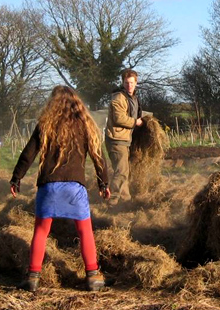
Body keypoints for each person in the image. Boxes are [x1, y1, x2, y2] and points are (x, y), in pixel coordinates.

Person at [10, 86, 111, 292]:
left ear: (52, 103)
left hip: (49, 186)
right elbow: (98, 156)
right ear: (76, 103)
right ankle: (93, 277)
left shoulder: (45, 124)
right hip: (75, 188)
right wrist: (104, 183)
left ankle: (32, 278)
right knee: (85, 231)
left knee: (40, 231)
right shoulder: (85, 124)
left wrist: (16, 178)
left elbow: (29, 153)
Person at [105, 68, 143, 204]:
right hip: (116, 139)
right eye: (127, 83)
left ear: (136, 83)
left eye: (132, 83)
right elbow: (119, 118)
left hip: (124, 139)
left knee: (123, 171)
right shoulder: (118, 97)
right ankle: (112, 201)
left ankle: (126, 201)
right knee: (121, 171)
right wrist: (135, 122)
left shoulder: (133, 98)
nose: (129, 86)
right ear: (123, 82)